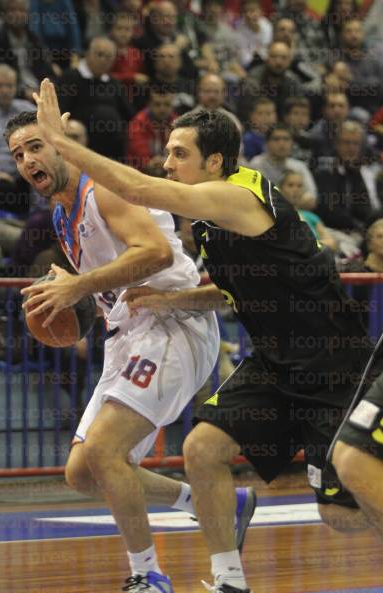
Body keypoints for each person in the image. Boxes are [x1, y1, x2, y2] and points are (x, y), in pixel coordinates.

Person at [29, 79, 383, 593]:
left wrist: (61, 144)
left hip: (334, 364)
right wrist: (173, 300)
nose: (167, 163)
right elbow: (232, 294)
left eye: (179, 154)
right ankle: (229, 582)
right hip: (276, 363)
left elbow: (140, 190)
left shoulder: (237, 195)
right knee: (202, 448)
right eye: (168, 152)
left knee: (342, 512)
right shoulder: (213, 227)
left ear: (214, 162)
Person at [5, 107, 255, 593]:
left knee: (105, 450)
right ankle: (211, 502)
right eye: (18, 154)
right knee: (82, 472)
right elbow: (106, 281)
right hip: (129, 334)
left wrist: (80, 285)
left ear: (61, 143)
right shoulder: (62, 212)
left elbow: (156, 253)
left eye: (36, 145)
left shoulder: (105, 190)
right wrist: (73, 292)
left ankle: (147, 575)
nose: (28, 159)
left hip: (171, 323)